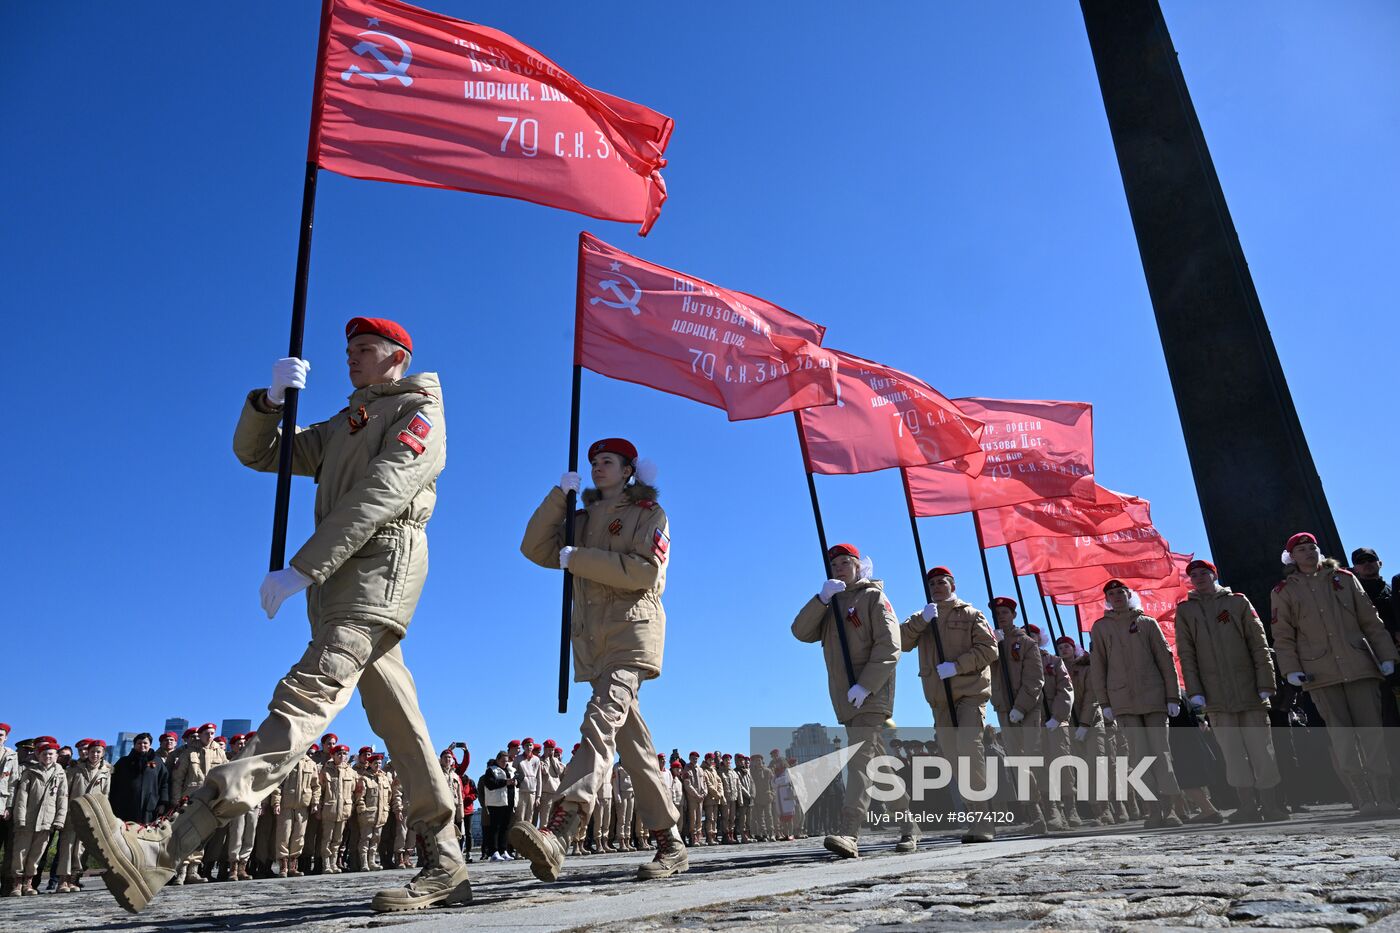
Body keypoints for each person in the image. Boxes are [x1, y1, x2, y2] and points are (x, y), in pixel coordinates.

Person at [71, 317, 471, 913]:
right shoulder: (347, 422)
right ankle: (446, 861)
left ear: (397, 358)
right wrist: (269, 404)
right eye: (348, 351)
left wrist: (304, 565)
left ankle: (165, 851)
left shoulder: (418, 411)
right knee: (399, 720)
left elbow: (383, 490)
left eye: (364, 350)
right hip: (341, 577)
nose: (351, 360)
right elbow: (261, 455)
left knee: (306, 696)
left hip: (378, 568)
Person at [516, 437, 686, 881]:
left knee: (600, 720)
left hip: (632, 630)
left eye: (607, 461)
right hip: (593, 639)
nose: (597, 467)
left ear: (629, 469)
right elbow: (534, 549)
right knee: (633, 744)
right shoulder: (581, 517)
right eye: (593, 462)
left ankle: (562, 828)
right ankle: (670, 841)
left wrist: (582, 559)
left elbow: (646, 571)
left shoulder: (649, 515)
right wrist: (559, 498)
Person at [792, 542, 912, 857]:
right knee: (878, 765)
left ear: (859, 565)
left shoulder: (873, 597)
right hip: (846, 699)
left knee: (860, 761)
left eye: (845, 563)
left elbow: (890, 647)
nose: (839, 569)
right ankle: (909, 825)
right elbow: (800, 631)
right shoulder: (830, 603)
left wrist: (867, 685)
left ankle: (849, 832)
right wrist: (821, 599)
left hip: (870, 694)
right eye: (834, 565)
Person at [1272, 533, 1398, 816]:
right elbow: (1282, 636)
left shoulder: (1344, 579)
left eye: (1312, 548)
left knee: (1372, 734)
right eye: (1301, 550)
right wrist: (1291, 669)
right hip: (1320, 673)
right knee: (1342, 739)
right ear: (1292, 557)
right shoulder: (1284, 591)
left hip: (1359, 666)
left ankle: (1385, 797)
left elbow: (1370, 620)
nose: (1308, 553)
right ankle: (1363, 798)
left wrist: (1386, 656)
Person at [1174, 558, 1285, 822]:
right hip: (1215, 695)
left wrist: (1266, 682)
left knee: (1261, 749)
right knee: (1232, 753)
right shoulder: (1186, 611)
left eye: (1204, 573)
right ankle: (1247, 806)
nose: (1199, 577)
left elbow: (1259, 644)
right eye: (1194, 574)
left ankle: (1270, 805)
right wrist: (1195, 690)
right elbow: (1186, 654)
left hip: (1249, 690)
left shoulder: (1237, 602)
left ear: (1215, 575)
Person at [899, 566, 999, 843]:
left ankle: (983, 818)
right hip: (939, 696)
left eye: (942, 582)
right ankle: (973, 814)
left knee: (970, 748)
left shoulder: (970, 613)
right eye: (932, 583)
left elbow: (989, 649)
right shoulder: (923, 617)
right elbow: (902, 641)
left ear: (952, 585)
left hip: (969, 691)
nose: (937, 586)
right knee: (953, 756)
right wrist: (921, 620)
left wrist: (957, 666)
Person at [1089, 580, 1185, 827]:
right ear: (1107, 599)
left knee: (1162, 754)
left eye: (1120, 592)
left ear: (1128, 595)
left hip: (1153, 698)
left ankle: (1171, 808)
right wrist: (1105, 702)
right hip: (1123, 701)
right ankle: (1152, 810)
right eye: (1111, 594)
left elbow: (1165, 660)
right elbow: (1098, 667)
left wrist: (1172, 696)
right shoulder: (1100, 628)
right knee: (1139, 758)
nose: (1116, 597)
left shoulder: (1147, 623)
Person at [988, 599, 1055, 833]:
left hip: (1027, 709)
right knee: (1018, 762)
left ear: (1014, 614)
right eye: (996, 613)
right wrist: (991, 647)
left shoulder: (1025, 642)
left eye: (1005, 612)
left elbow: (1036, 678)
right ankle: (1035, 814)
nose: (1001, 616)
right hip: (1004, 709)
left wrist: (1022, 706)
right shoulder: (992, 641)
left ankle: (1051, 809)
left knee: (1034, 759)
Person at [1056, 638, 1114, 825]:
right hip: (1070, 725)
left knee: (1097, 765)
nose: (1063, 650)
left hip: (1092, 722)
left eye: (1067, 646)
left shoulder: (1086, 668)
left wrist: (1085, 724)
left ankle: (1107, 809)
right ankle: (1097, 811)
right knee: (1082, 770)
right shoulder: (1057, 671)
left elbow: (1092, 696)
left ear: (1074, 648)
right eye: (1060, 647)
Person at [168, 722, 227, 884]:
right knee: (185, 835)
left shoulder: (220, 753)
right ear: (200, 735)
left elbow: (225, 776)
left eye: (212, 733)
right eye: (207, 733)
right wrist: (176, 801)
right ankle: (181, 871)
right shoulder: (189, 753)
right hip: (190, 799)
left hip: (210, 800)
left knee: (202, 837)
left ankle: (193, 871)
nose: (210, 736)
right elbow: (178, 778)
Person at [8, 741, 67, 897]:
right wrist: (20, 819)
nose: (48, 756)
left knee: (36, 854)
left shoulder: (60, 774)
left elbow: (62, 797)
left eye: (51, 754)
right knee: (20, 852)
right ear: (39, 756)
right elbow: (21, 797)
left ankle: (28, 882)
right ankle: (17, 883)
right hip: (27, 819)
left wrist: (59, 819)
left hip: (47, 820)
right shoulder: (30, 772)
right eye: (44, 754)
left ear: (56, 756)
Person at [274, 746, 319, 877]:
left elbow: (316, 786)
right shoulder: (287, 761)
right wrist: (276, 802)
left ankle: (293, 865)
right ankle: (283, 866)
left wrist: (315, 802)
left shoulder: (311, 764)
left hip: (302, 805)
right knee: (283, 835)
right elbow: (278, 784)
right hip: (286, 805)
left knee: (299, 836)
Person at [110, 733, 170, 826]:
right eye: (139, 743)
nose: (142, 745)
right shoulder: (124, 762)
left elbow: (164, 783)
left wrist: (163, 803)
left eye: (145, 743)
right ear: (134, 745)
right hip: (125, 806)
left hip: (149, 807)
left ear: (150, 745)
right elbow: (113, 782)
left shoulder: (158, 762)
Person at [355, 754, 393, 871]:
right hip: (368, 815)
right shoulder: (364, 779)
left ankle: (372, 862)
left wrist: (386, 808)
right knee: (365, 839)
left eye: (380, 763)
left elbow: (389, 795)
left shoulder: (384, 778)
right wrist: (362, 809)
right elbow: (359, 797)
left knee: (376, 839)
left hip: (381, 815)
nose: (378, 765)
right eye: (375, 763)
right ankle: (364, 863)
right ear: (370, 764)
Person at [480, 752, 514, 862]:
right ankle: (493, 851)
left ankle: (503, 850)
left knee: (505, 827)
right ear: (498, 760)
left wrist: (516, 781)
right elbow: (490, 784)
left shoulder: (510, 770)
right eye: (503, 761)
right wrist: (505, 782)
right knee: (495, 828)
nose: (505, 763)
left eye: (506, 761)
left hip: (508, 802)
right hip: (495, 803)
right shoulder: (491, 770)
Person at [0, 722, 16, 892]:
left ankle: (5, 883)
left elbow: (13, 783)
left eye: (1, 735)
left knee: (8, 848)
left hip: (3, 806)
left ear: (6, 737)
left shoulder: (11, 756)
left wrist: (10, 807)